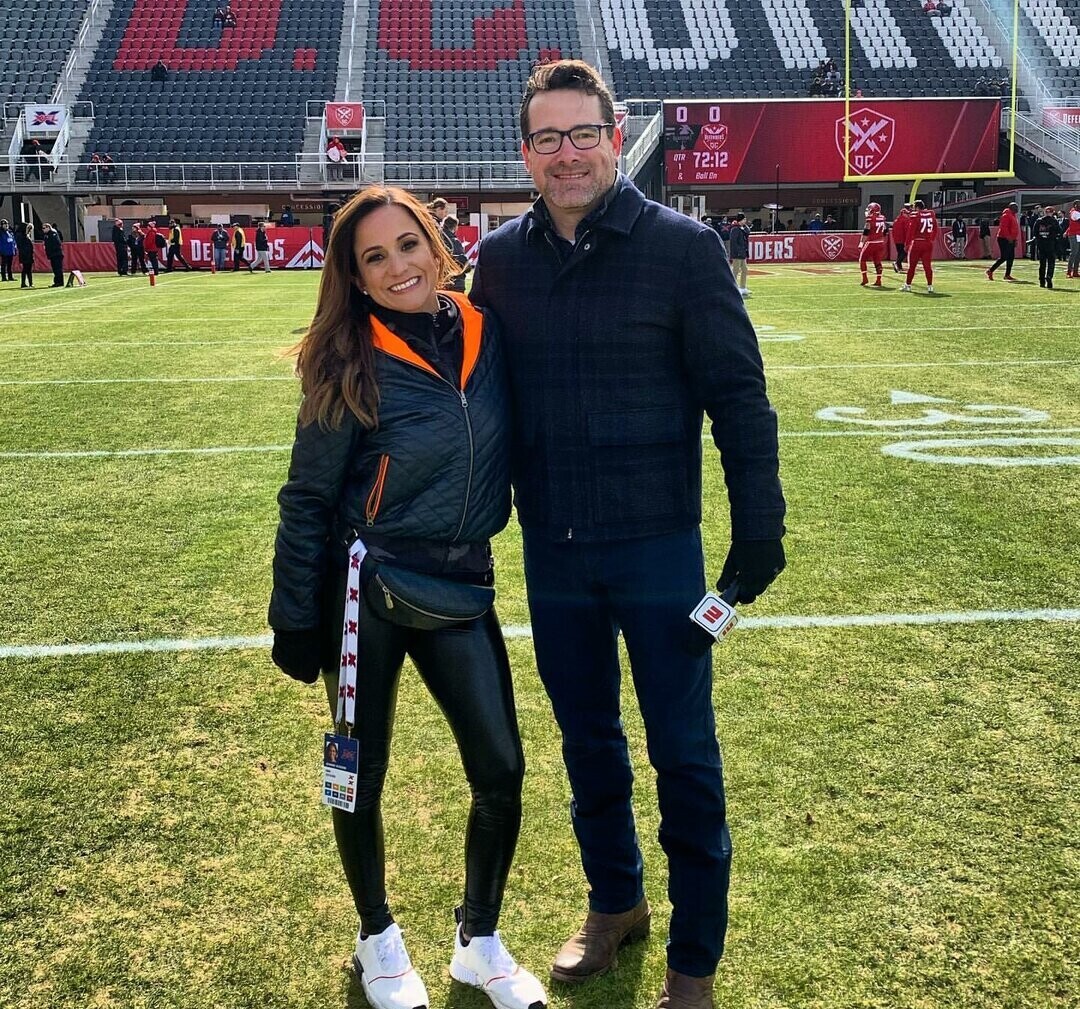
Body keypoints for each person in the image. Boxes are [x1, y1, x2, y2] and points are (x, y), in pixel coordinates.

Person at [470, 59, 785, 1009]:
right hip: (554, 551)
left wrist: (759, 525)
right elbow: (478, 402)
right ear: (526, 154)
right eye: (547, 139)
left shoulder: (684, 249)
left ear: (615, 139)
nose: (567, 154)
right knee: (587, 742)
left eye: (583, 134)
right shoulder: (500, 260)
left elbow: (739, 397)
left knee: (683, 752)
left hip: (658, 550)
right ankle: (616, 901)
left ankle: (695, 959)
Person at [268, 186, 547, 1009]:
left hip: (463, 578)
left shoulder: (486, 330)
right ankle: (376, 936)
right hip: (365, 587)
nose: (397, 267)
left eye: (408, 244)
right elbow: (307, 497)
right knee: (355, 770)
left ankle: (478, 940)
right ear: (354, 277)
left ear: (437, 242)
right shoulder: (347, 355)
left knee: (501, 768)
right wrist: (294, 615)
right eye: (374, 257)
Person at [901, 200, 938, 293]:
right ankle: (930, 286)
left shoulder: (916, 215)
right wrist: (931, 238)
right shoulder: (931, 214)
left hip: (917, 243)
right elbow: (935, 228)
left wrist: (907, 243)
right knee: (927, 266)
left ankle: (908, 285)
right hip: (928, 243)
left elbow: (911, 231)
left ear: (917, 207)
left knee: (912, 266)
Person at [986, 202, 1020, 281]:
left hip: (1010, 239)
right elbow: (1003, 228)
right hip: (1004, 239)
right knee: (1004, 257)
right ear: (1011, 208)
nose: (1017, 209)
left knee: (1011, 257)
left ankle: (1007, 275)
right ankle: (990, 270)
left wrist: (1015, 239)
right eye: (1015, 207)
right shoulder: (1006, 215)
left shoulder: (1013, 216)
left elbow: (1013, 229)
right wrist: (1009, 238)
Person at [1032, 205, 1062, 290]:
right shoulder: (1054, 221)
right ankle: (1049, 277)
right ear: (1052, 213)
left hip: (1041, 245)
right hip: (1050, 244)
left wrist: (1040, 238)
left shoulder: (1039, 220)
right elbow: (1059, 231)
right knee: (1051, 263)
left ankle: (1042, 281)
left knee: (1042, 264)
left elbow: (1035, 232)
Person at [859, 201, 888, 287]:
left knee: (862, 260)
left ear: (872, 210)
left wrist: (861, 242)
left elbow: (866, 231)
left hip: (872, 242)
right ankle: (878, 280)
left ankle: (865, 279)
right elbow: (885, 231)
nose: (868, 211)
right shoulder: (882, 218)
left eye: (869, 209)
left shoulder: (870, 218)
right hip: (880, 242)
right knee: (877, 261)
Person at [440, 216, 470, 291]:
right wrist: (467, 264)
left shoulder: (438, 240)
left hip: (441, 281)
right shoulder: (454, 242)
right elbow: (461, 262)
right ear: (455, 227)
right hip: (455, 281)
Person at [727, 212, 751, 296]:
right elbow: (733, 242)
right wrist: (738, 251)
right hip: (737, 254)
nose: (745, 221)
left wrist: (745, 226)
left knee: (744, 270)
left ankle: (742, 287)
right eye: (744, 219)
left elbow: (748, 232)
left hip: (742, 253)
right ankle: (732, 288)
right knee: (735, 271)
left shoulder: (742, 228)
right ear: (740, 220)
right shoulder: (735, 229)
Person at [42, 223, 64, 287]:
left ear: (48, 228)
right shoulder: (47, 235)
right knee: (55, 269)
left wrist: (50, 250)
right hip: (52, 254)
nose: (43, 229)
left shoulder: (53, 234)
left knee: (58, 269)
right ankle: (57, 282)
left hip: (56, 254)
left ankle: (59, 282)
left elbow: (57, 243)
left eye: (44, 228)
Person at [16, 222, 35, 288]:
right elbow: (21, 245)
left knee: (27, 269)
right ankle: (26, 283)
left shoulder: (24, 235)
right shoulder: (21, 235)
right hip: (25, 254)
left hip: (28, 254)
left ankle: (28, 283)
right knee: (26, 269)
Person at [1066, 201, 1080, 279]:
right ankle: (1069, 271)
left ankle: (1075, 271)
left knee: (1078, 254)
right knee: (1074, 253)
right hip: (1074, 234)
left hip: (1078, 234)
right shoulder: (1074, 212)